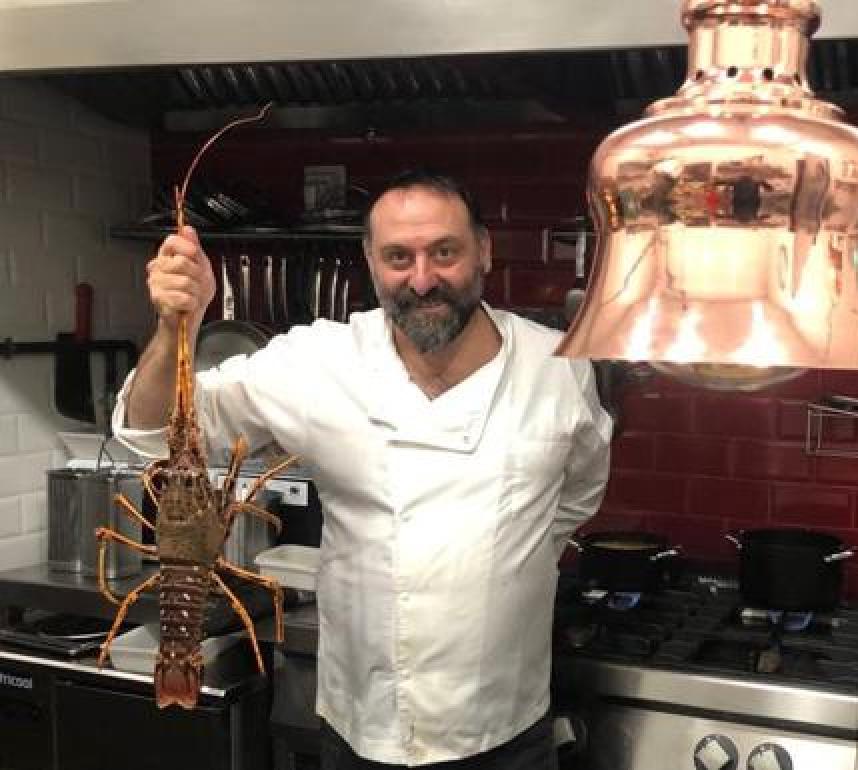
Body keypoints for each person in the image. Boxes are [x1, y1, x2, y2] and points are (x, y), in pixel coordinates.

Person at [112, 169, 613, 769]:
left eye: (444, 252)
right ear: (371, 261)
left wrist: (507, 557)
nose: (422, 279)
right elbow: (154, 435)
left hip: (506, 729)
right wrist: (175, 327)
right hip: (362, 730)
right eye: (399, 257)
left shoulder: (557, 367)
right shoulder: (318, 359)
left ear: (484, 250)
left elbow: (577, 495)